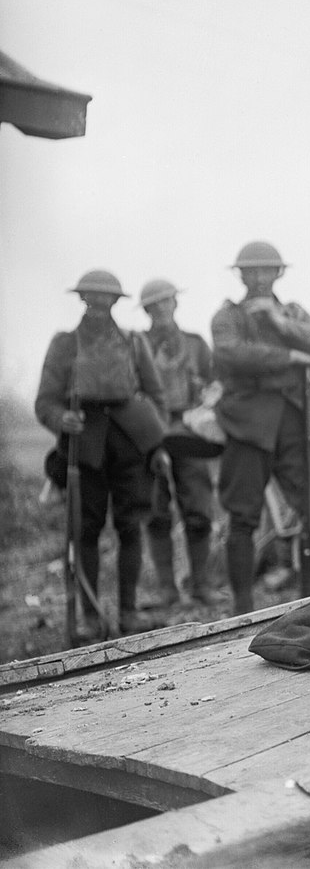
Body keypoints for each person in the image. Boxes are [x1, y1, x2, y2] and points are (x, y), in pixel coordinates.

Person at [35, 270, 170, 639]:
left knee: (131, 526)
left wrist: (157, 443)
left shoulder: (132, 341)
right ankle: (91, 617)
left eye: (105, 298)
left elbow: (156, 397)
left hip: (130, 444)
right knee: (86, 531)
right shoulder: (65, 344)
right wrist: (62, 419)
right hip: (84, 450)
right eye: (91, 298)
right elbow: (45, 401)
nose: (97, 305)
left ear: (115, 301)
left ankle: (128, 614)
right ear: (82, 300)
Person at [211, 241, 310, 615]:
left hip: (294, 420)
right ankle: (243, 607)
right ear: (242, 275)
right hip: (248, 423)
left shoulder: (292, 313)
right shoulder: (228, 316)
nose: (261, 278)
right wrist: (289, 357)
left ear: (279, 274)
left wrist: (281, 324)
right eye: (253, 271)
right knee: (243, 515)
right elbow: (232, 354)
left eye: (269, 270)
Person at [138, 278, 219, 609]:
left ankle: (200, 586)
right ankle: (167, 590)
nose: (161, 309)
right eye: (154, 305)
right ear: (146, 310)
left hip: (189, 432)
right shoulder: (136, 344)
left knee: (198, 508)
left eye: (166, 301)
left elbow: (216, 385)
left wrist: (205, 407)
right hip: (149, 433)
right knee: (156, 511)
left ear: (176, 303)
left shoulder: (196, 345)